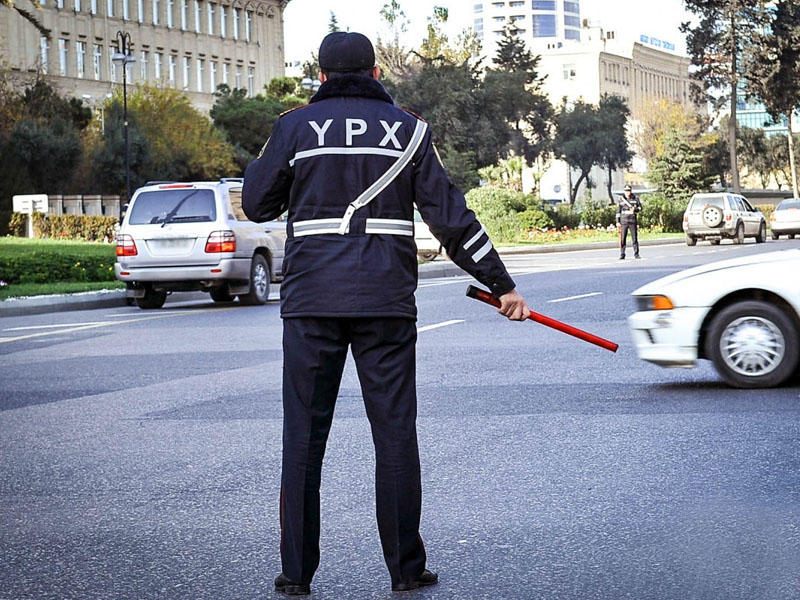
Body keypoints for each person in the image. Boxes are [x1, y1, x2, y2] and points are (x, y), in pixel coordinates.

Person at [242, 31, 529, 596]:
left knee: (303, 439)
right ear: (376, 73)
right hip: (386, 304)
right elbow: (452, 220)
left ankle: (296, 575)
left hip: (311, 305)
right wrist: (501, 285)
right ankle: (406, 570)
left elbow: (256, 203)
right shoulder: (410, 129)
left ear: (320, 77)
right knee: (395, 436)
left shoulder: (294, 127)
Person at [617, 184, 642, 259]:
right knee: (623, 239)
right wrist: (617, 222)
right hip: (624, 221)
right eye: (626, 191)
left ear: (631, 191)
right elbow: (618, 212)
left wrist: (635, 209)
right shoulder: (621, 200)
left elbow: (640, 208)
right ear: (624, 191)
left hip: (632, 220)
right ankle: (622, 254)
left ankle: (636, 254)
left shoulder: (635, 198)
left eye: (629, 190)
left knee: (634, 238)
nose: (627, 192)